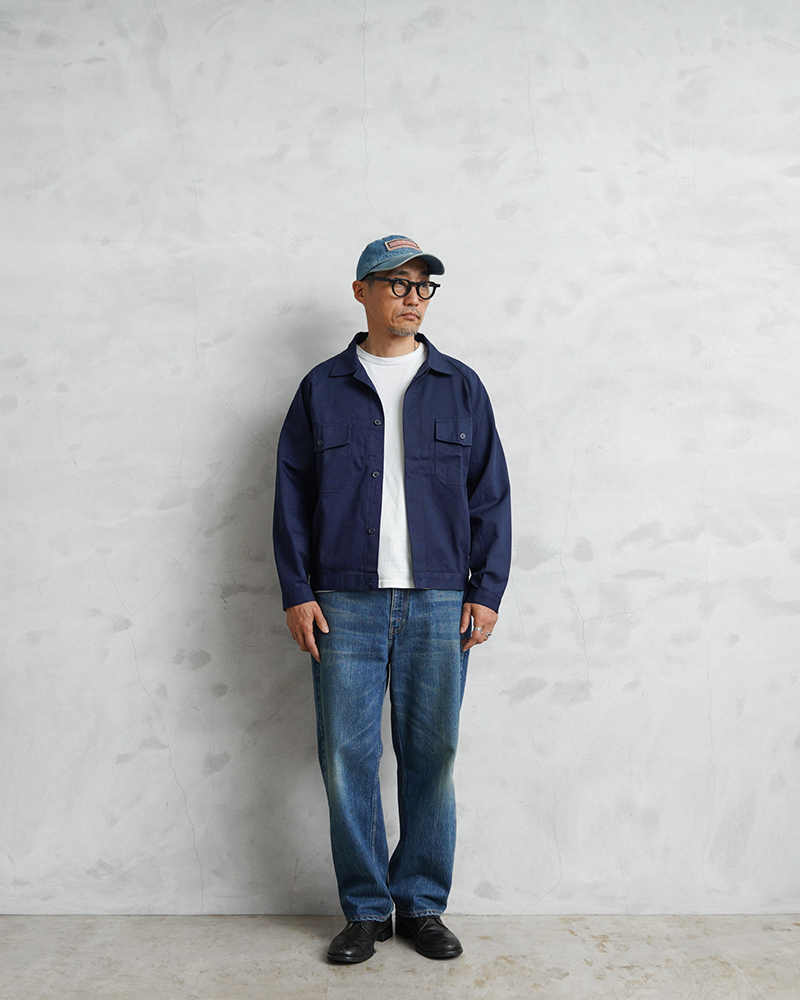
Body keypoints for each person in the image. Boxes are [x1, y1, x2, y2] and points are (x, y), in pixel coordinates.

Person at [273, 235, 511, 964]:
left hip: (440, 600)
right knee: (346, 755)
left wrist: (487, 590)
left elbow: (490, 496)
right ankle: (366, 910)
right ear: (361, 292)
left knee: (432, 755)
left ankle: (422, 905)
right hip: (343, 601)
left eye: (423, 286)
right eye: (396, 283)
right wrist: (297, 592)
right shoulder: (322, 388)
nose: (412, 297)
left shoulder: (460, 386)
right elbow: (291, 498)